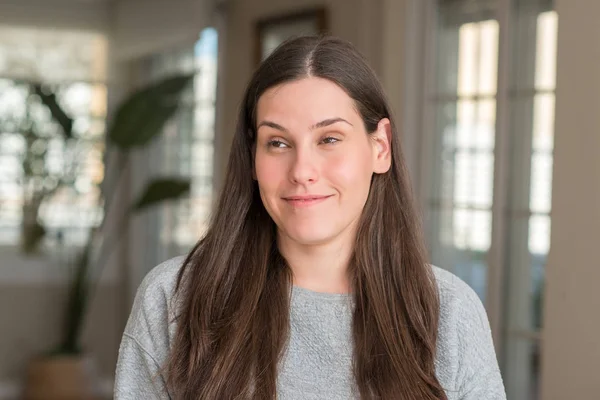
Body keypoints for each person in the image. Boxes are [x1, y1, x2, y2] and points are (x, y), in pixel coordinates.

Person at [114, 35, 506, 400]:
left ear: (380, 147)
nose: (302, 170)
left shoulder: (449, 312)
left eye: (329, 139)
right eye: (278, 143)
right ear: (253, 158)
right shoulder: (173, 298)